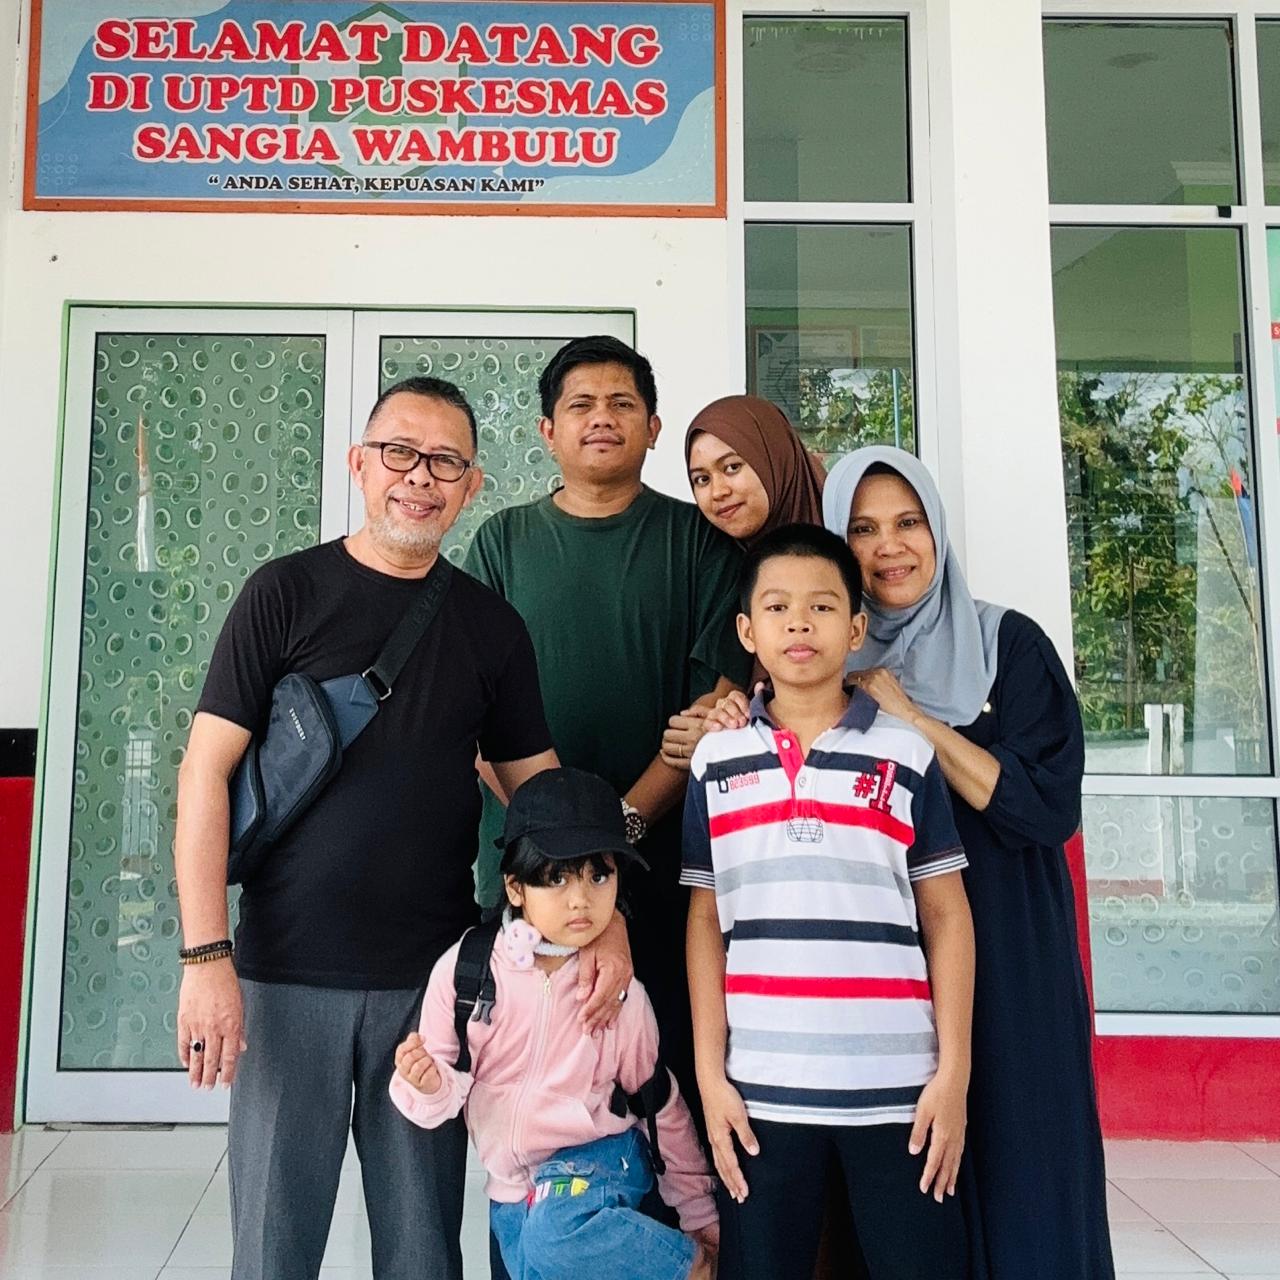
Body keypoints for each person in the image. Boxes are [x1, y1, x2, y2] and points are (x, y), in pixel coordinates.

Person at [173, 376, 626, 1280]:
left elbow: (540, 798)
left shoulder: (491, 627)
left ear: (472, 485)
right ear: (360, 463)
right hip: (284, 971)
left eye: (446, 462)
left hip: (431, 983)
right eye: (399, 453)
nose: (420, 476)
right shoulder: (284, 592)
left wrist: (604, 923)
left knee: (422, 1247)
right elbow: (204, 773)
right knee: (272, 1246)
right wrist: (205, 956)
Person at [817, 446, 1115, 1280]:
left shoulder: (1005, 645)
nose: (889, 547)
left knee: (1025, 1172)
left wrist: (912, 720)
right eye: (862, 529)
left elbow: (1044, 806)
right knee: (910, 1193)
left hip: (1010, 956)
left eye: (908, 523)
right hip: (887, 972)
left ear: (938, 530)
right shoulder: (823, 663)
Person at [464, 335, 752, 1113]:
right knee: (539, 1104)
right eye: (581, 405)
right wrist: (569, 853)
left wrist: (613, 840)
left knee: (668, 1096)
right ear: (547, 430)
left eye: (622, 404)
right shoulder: (501, 544)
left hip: (670, 872)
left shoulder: (700, 541)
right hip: (528, 876)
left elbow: (709, 716)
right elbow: (474, 719)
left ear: (653, 428)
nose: (602, 418)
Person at [682, 523, 975, 1280]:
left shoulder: (907, 754)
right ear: (747, 631)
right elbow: (706, 921)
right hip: (761, 1097)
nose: (799, 624)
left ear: (855, 628)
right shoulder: (716, 760)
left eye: (821, 606)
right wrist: (712, 1078)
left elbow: (947, 916)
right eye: (776, 607)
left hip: (901, 1096)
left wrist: (953, 1074)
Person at [390, 767, 720, 1280]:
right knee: (533, 1256)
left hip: (601, 1160)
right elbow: (445, 1087)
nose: (580, 898)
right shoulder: (468, 973)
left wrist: (699, 1214)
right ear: (515, 887)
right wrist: (427, 1083)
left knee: (554, 1234)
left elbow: (659, 1103)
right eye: (557, 878)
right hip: (511, 1186)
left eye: (599, 875)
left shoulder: (616, 992)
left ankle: (695, 1269)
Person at [683, 394, 826, 546]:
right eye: (702, 479)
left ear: (778, 461)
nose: (718, 492)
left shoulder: (842, 546)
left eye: (732, 467)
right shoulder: (701, 555)